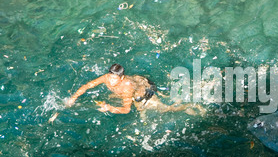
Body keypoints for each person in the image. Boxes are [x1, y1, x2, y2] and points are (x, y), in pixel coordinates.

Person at [66, 64, 206, 117]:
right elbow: (88, 85)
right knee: (109, 96)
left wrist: (109, 108)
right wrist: (74, 97)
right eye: (110, 77)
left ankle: (190, 105)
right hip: (139, 81)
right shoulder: (107, 78)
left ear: (121, 78)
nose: (111, 81)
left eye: (115, 79)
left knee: (165, 109)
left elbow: (126, 109)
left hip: (144, 94)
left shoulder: (126, 87)